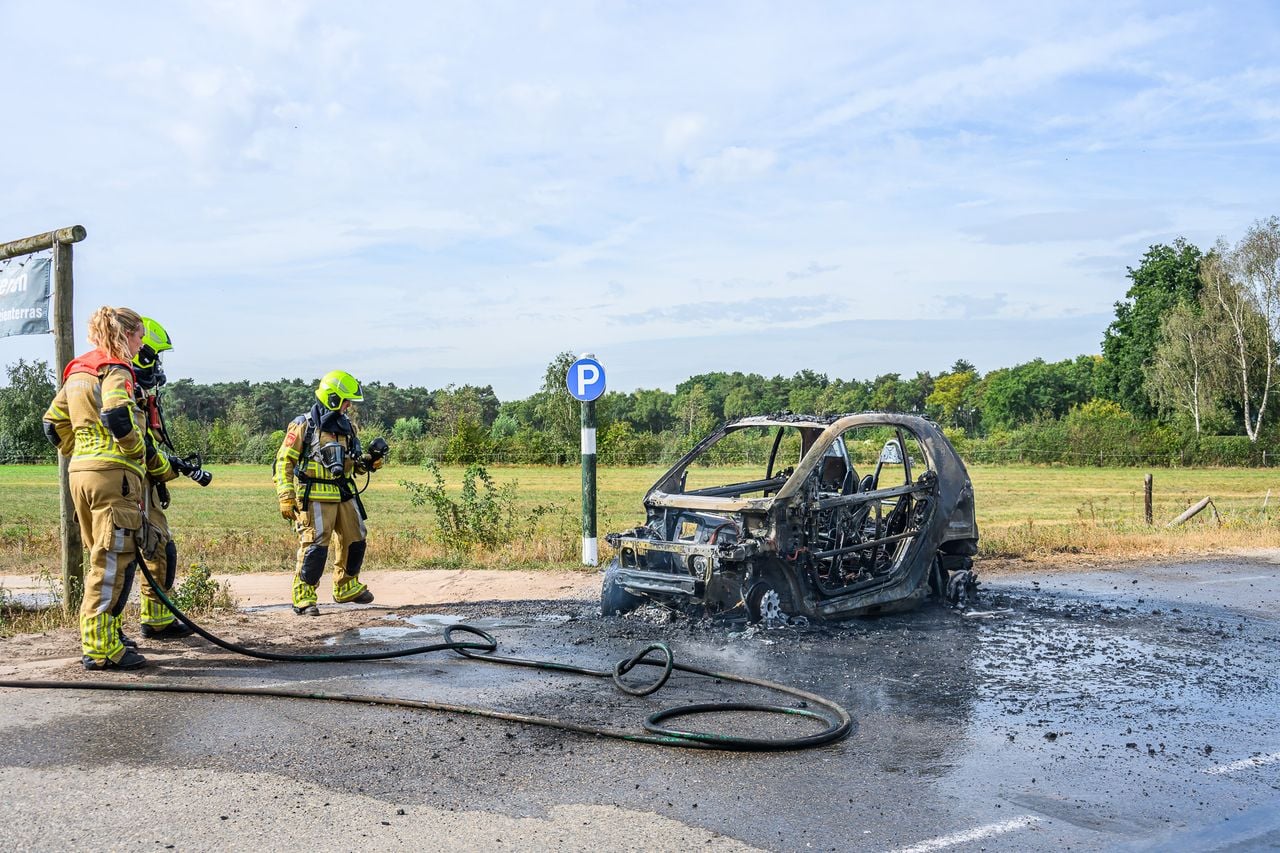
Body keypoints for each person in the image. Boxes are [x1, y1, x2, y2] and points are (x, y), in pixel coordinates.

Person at [42, 306, 149, 670]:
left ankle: (108, 633)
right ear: (126, 334)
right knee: (111, 563)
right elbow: (118, 414)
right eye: (139, 337)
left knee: (101, 558)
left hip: (81, 475)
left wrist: (82, 451)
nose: (141, 345)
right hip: (112, 478)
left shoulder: (78, 370)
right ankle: (101, 648)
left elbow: (53, 423)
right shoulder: (115, 367)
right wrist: (135, 451)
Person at [275, 370, 382, 615]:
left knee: (356, 538)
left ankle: (346, 586)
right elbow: (283, 461)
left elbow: (352, 464)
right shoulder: (304, 425)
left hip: (343, 493)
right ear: (332, 398)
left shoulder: (347, 428)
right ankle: (303, 595)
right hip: (314, 496)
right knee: (315, 545)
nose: (348, 407)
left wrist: (368, 462)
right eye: (345, 401)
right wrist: (286, 495)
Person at [131, 317, 195, 640]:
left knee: (160, 549)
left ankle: (156, 620)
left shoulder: (141, 394)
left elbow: (150, 442)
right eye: (154, 356)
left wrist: (170, 466)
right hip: (128, 485)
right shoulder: (121, 390)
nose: (157, 365)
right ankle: (107, 636)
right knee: (123, 558)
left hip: (145, 484)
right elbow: (141, 447)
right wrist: (169, 468)